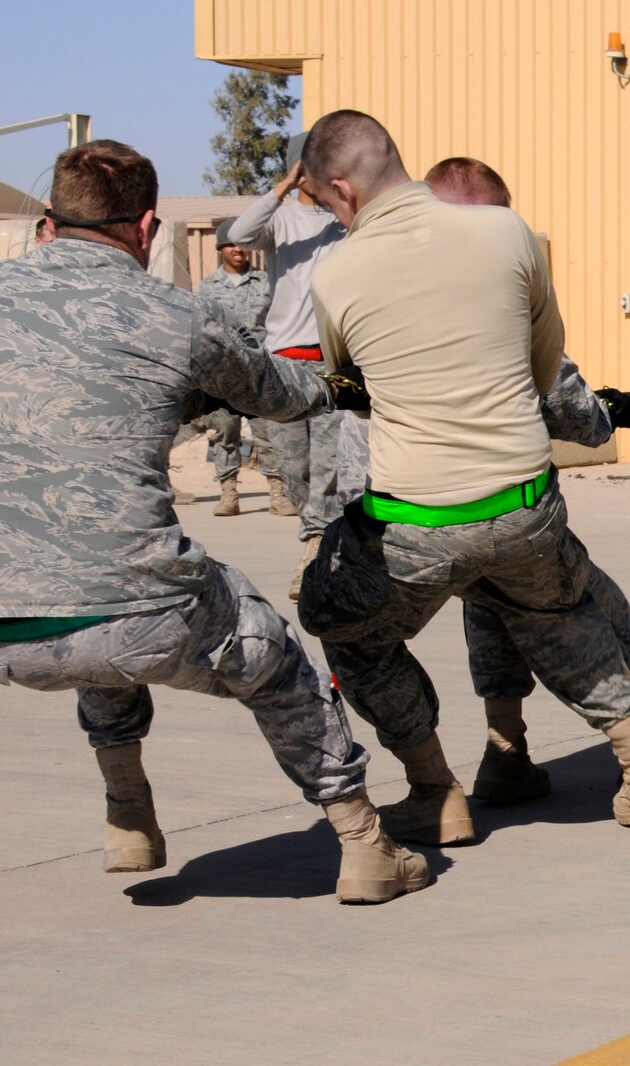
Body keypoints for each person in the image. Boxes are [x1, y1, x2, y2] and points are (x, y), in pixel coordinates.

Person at [0, 140, 426, 903]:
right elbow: (276, 390)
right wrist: (346, 386)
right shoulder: (176, 314)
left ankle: (128, 814)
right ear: (147, 226)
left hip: (12, 629)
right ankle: (365, 843)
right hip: (147, 613)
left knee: (96, 617)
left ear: (51, 220)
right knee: (278, 660)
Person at [294, 111, 630, 844]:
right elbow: (544, 370)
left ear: (342, 191)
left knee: (339, 621)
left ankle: (435, 790)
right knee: (562, 607)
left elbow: (352, 386)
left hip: (415, 521)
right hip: (525, 503)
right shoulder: (509, 234)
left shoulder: (337, 271)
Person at [421, 155, 630, 803]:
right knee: (598, 615)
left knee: (489, 606)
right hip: (512, 506)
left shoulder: (388, 297)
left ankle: (505, 750)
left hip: (420, 517)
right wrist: (612, 409)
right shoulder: (498, 297)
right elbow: (577, 416)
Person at [222, 134, 353, 594]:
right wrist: (284, 186)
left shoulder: (347, 221)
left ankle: (315, 549)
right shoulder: (279, 221)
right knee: (292, 471)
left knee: (329, 469)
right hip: (285, 364)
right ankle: (319, 537)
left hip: (334, 364)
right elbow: (238, 234)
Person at [192, 219, 272, 517]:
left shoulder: (266, 282)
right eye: (231, 244)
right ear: (220, 249)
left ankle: (277, 491)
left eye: (242, 244)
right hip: (223, 372)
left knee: (267, 431)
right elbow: (200, 329)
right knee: (225, 432)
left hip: (261, 369)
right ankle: (228, 493)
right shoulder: (208, 287)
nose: (238, 249)